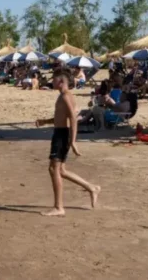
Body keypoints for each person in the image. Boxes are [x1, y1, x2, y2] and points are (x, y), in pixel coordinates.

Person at [35, 68, 100, 217]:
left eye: (54, 79)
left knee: (54, 170)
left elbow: (72, 117)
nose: (52, 81)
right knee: (61, 171)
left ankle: (59, 207)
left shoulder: (65, 96)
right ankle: (91, 187)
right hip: (59, 133)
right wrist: (45, 121)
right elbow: (61, 117)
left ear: (61, 81)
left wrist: (73, 141)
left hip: (62, 135)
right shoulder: (62, 96)